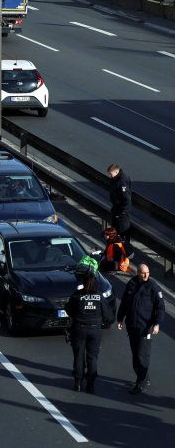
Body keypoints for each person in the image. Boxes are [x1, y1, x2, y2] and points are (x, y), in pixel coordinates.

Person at [64, 259, 114, 393]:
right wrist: (102, 322)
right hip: (94, 329)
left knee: (79, 356)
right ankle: (91, 385)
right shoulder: (99, 297)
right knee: (92, 357)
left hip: (79, 329)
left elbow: (68, 310)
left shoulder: (77, 295)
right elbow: (109, 317)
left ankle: (78, 383)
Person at [116, 264, 165, 394]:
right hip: (132, 326)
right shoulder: (131, 284)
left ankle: (141, 384)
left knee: (142, 355)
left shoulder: (153, 287)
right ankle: (143, 378)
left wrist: (157, 324)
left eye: (147, 272)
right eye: (143, 273)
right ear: (137, 273)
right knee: (135, 355)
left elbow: (160, 307)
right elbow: (125, 303)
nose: (145, 275)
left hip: (145, 327)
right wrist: (120, 318)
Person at [107, 164, 132, 244]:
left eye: (111, 174)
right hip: (116, 208)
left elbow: (126, 199)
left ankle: (123, 251)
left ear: (116, 171)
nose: (110, 176)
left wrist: (123, 213)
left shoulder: (122, 181)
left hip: (122, 212)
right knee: (114, 231)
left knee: (123, 232)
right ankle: (114, 248)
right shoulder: (114, 179)